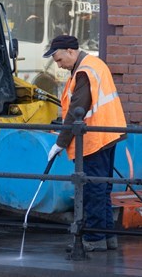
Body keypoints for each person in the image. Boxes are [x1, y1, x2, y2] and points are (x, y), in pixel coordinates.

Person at [43, 34, 127, 252]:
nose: (59, 65)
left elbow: (76, 112)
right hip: (108, 132)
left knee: (93, 189)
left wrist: (60, 143)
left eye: (59, 59)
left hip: (94, 138)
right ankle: (107, 236)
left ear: (70, 52)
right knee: (102, 187)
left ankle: (95, 238)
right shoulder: (93, 65)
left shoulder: (84, 72)